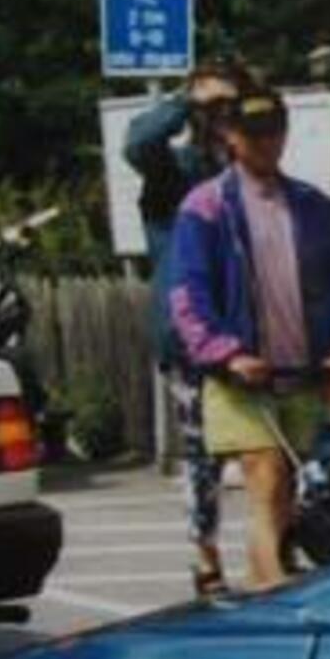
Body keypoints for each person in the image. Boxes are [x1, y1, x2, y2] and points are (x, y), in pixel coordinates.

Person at [168, 88, 330, 592]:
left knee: (289, 493)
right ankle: (271, 590)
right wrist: (226, 353)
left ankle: (267, 585)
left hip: (304, 369)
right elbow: (188, 294)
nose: (266, 144)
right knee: (267, 476)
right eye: (253, 134)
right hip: (240, 377)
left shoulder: (311, 205)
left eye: (274, 131)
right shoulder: (207, 207)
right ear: (229, 137)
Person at [125, 59, 246, 596]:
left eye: (230, 108)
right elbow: (138, 143)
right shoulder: (172, 173)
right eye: (213, 110)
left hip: (252, 330)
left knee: (274, 446)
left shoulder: (248, 173)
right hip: (191, 337)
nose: (222, 118)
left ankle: (281, 537)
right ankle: (206, 556)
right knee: (203, 455)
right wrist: (187, 100)